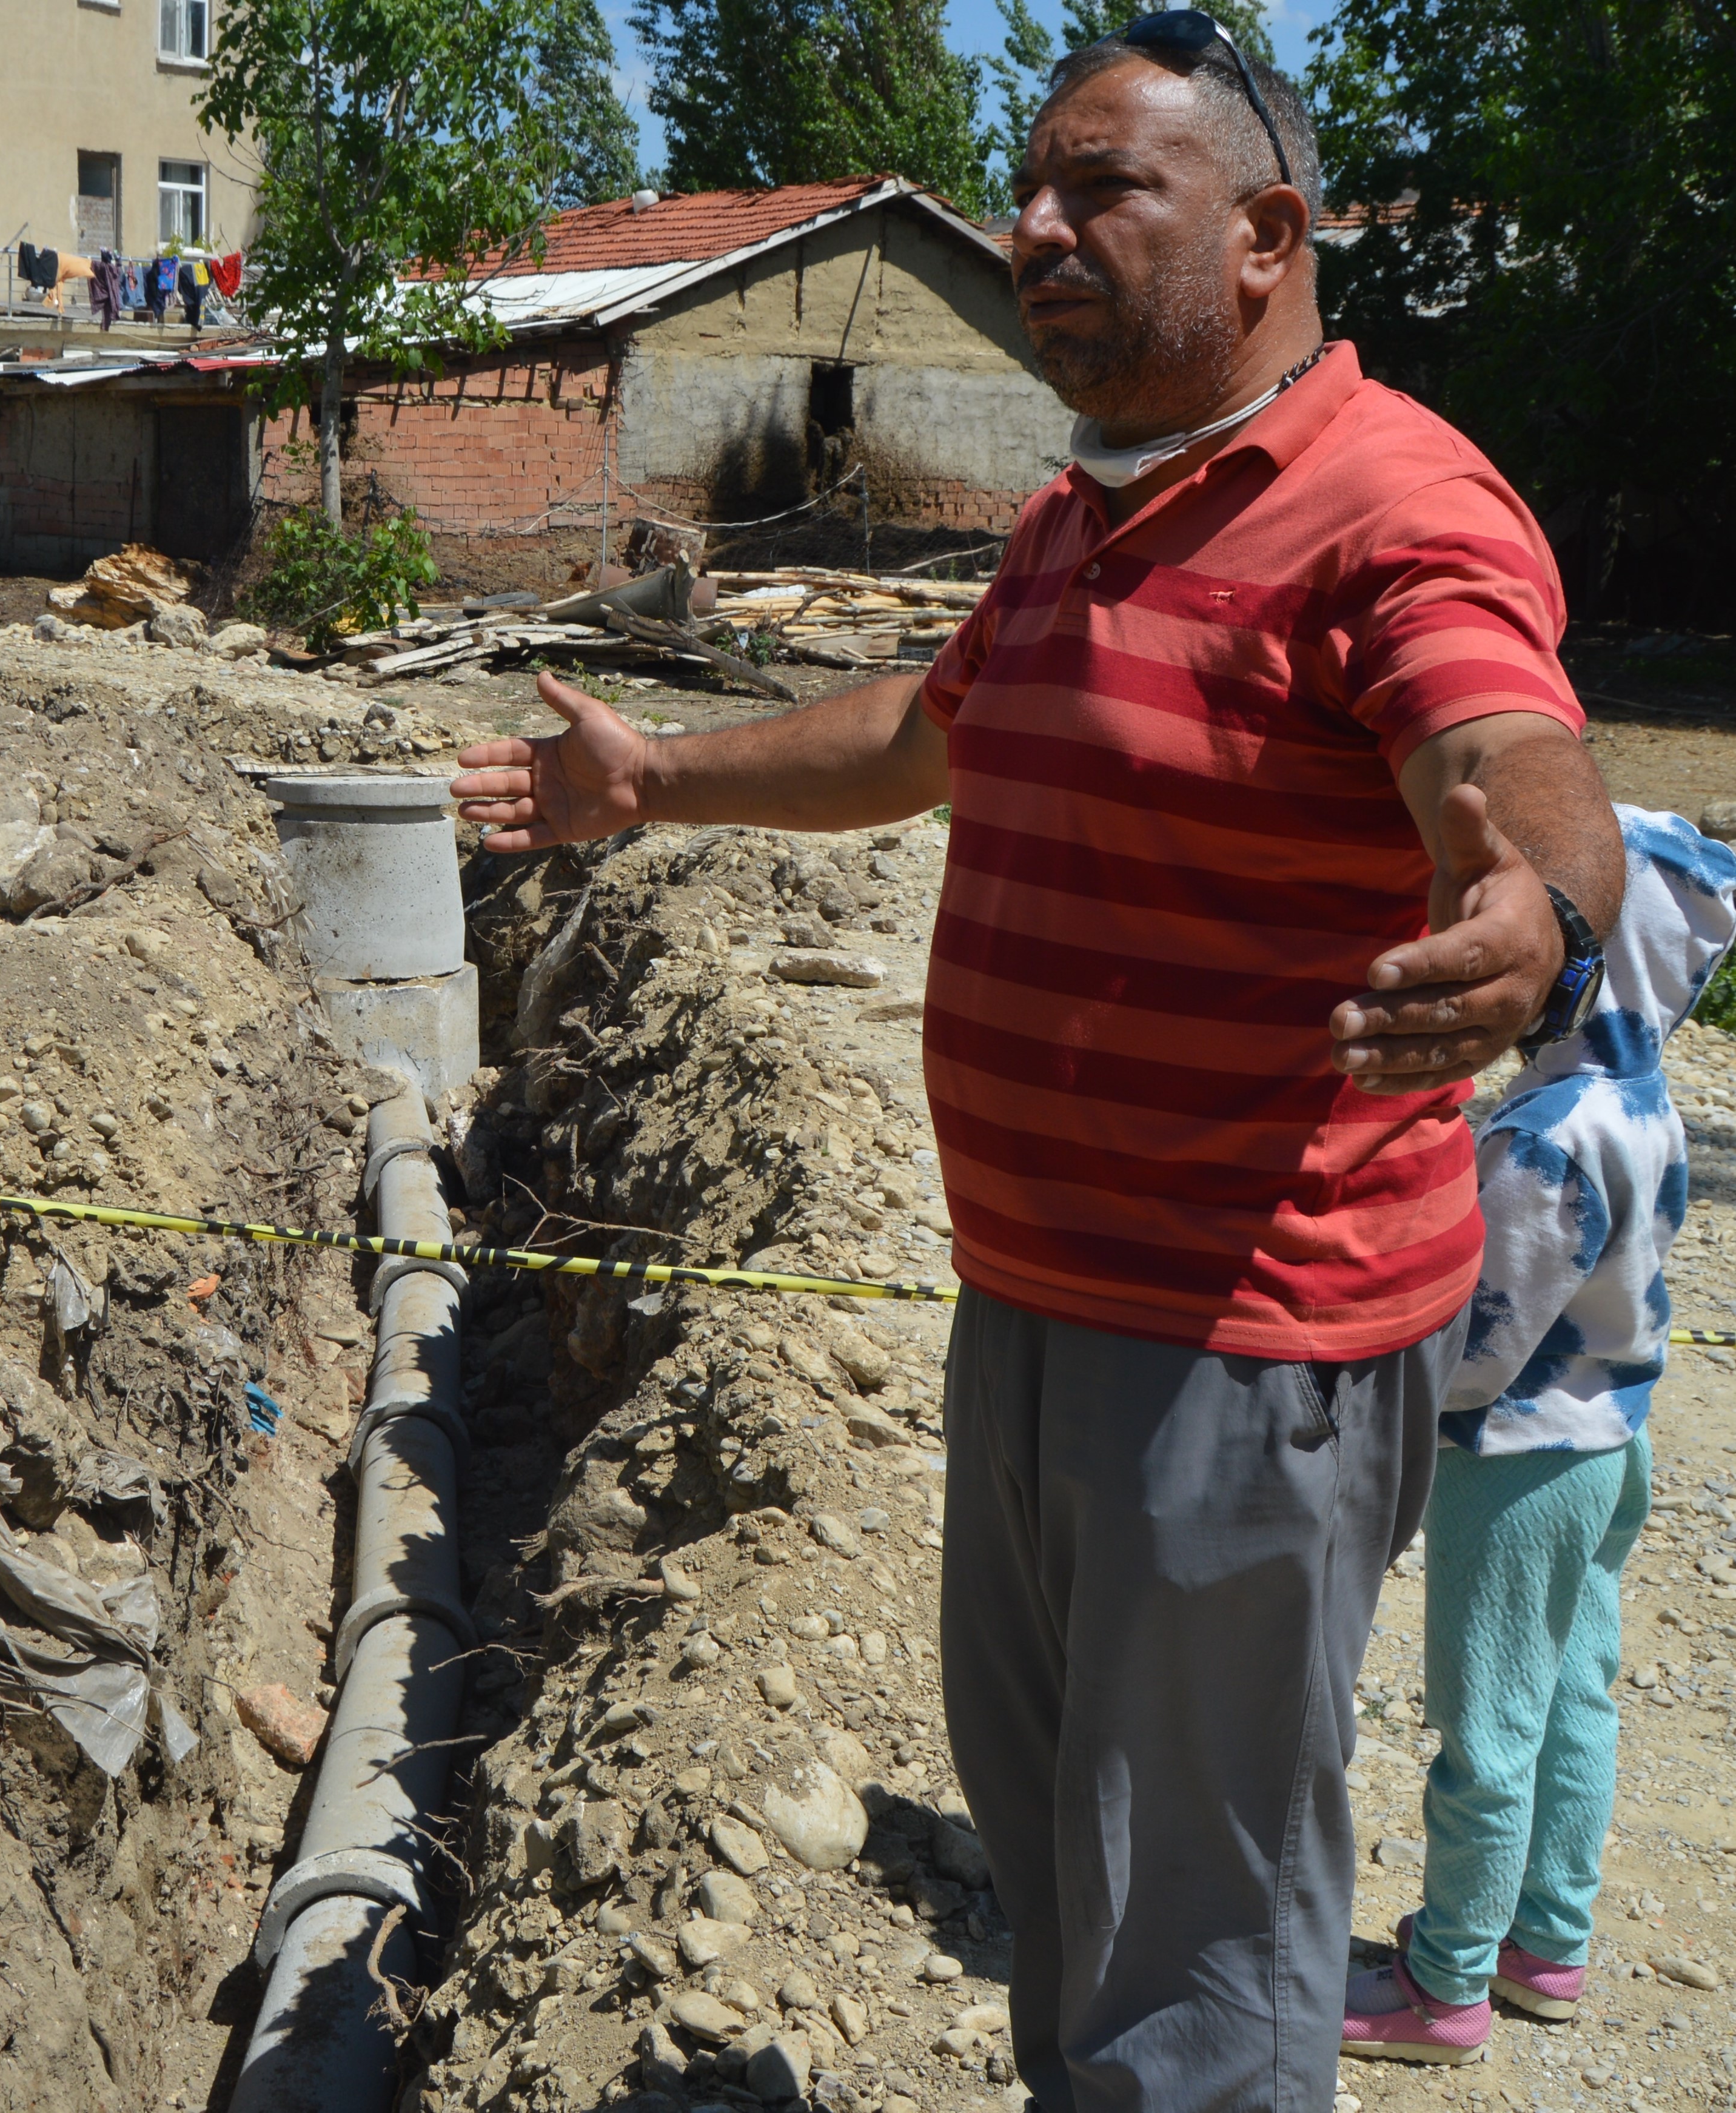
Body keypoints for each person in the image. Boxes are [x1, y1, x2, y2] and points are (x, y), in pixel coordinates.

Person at [453, 16, 1627, 2111]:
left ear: (1265, 234)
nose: (1034, 231)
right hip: (1039, 1305)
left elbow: (1503, 747)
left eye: (1104, 190)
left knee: (1197, 1948)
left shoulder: (1390, 501)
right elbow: (931, 731)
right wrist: (655, 781)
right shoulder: (1087, 511)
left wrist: (1537, 908)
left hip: (1238, 1347)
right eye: (1029, 189)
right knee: (1070, 1879)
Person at [1341, 807, 1736, 2065]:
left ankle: (1443, 1984)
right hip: (1608, 1440)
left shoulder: (1544, 1132)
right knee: (1570, 1698)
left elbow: (1485, 1334)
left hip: (1514, 1465)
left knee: (1487, 1722)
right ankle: (1543, 1944)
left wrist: (1383, 1390)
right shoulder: (1642, 1102)